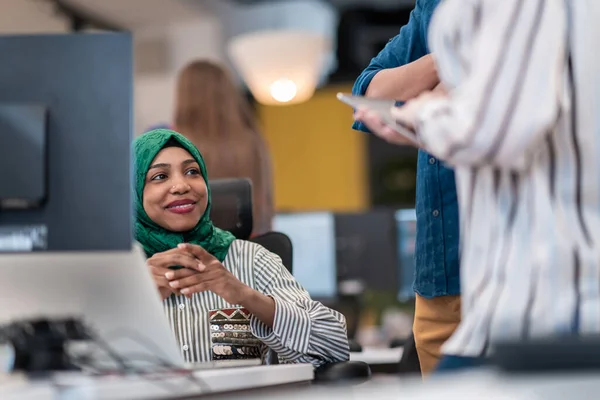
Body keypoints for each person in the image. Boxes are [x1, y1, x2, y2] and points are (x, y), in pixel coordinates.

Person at [357, 0, 600, 371]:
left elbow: (499, 131)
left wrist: (418, 113)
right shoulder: (435, 9)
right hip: (477, 281)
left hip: (544, 297)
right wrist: (438, 82)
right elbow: (372, 89)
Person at [133, 128, 350, 366]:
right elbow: (88, 366)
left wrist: (244, 295)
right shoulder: (120, 271)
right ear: (133, 193)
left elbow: (335, 346)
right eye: (160, 177)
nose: (181, 185)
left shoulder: (251, 260)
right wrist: (136, 298)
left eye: (192, 171)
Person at [352, 0, 460, 375]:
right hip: (435, 279)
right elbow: (369, 90)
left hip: (499, 267)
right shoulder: (432, 9)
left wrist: (420, 92)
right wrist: (445, 54)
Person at [174, 60, 274, 236]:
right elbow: (266, 204)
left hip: (192, 251)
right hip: (250, 248)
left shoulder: (172, 144)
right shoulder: (252, 141)